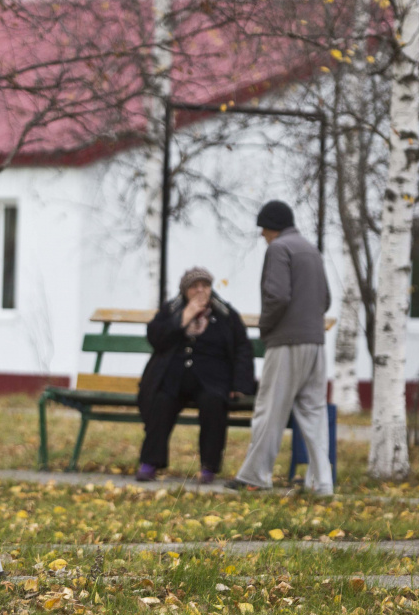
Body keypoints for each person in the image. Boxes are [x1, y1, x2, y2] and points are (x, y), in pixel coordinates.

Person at [226, 200, 334, 495]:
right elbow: (326, 300)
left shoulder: (279, 249)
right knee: (314, 414)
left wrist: (266, 326)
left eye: (263, 229)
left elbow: (277, 296)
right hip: (315, 342)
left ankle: (254, 477)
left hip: (286, 342)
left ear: (271, 227)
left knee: (269, 410)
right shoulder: (311, 250)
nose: (262, 235)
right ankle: (322, 482)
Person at [135, 268, 255, 484]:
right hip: (173, 376)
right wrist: (184, 316)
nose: (200, 290)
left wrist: (240, 384)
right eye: (194, 286)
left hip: (212, 379)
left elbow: (242, 349)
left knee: (214, 403)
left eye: (205, 285)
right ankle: (150, 462)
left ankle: (208, 466)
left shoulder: (226, 314)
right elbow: (155, 338)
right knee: (161, 401)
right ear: (185, 290)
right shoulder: (172, 310)